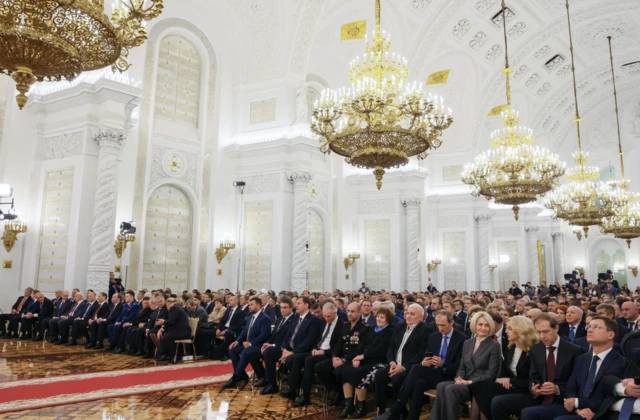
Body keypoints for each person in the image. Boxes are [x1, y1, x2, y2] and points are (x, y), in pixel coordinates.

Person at [519, 316, 625, 419]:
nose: (590, 330)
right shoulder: (583, 359)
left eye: (596, 327)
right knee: (529, 413)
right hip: (574, 406)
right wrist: (576, 407)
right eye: (589, 327)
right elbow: (571, 386)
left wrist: (576, 403)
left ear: (610, 334)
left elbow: (608, 397)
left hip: (598, 412)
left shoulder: (620, 362)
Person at [490, 312, 585, 419]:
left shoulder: (574, 351)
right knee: (497, 401)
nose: (542, 336)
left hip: (562, 400)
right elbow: (533, 377)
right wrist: (534, 389)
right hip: (539, 397)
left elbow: (579, 383)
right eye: (538, 332)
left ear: (556, 328)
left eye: (546, 332)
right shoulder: (536, 349)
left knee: (528, 413)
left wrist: (557, 389)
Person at [378, 309, 467, 420]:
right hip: (432, 373)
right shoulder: (434, 337)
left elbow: (459, 367)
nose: (440, 328)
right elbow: (426, 356)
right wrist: (424, 362)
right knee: (419, 383)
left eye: (443, 325)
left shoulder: (462, 339)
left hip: (448, 375)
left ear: (451, 322)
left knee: (416, 368)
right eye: (438, 325)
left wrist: (443, 365)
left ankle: (396, 408)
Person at [428, 311, 502, 420]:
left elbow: (491, 374)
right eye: (480, 324)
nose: (483, 328)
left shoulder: (494, 346)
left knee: (450, 389)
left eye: (486, 325)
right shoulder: (468, 342)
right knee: (441, 386)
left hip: (479, 385)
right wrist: (459, 378)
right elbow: (462, 365)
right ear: (474, 325)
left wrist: (469, 382)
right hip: (464, 381)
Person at [470, 316, 539, 420]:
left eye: (510, 328)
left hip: (526, 391)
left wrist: (510, 380)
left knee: (495, 399)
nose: (506, 331)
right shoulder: (511, 347)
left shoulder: (534, 351)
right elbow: (505, 371)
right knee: (478, 386)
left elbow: (533, 381)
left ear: (521, 330)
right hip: (512, 387)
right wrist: (499, 379)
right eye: (507, 328)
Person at [373, 304, 429, 416]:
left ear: (421, 316)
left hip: (409, 367)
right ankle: (381, 410)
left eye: (412, 314)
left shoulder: (425, 331)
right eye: (407, 313)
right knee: (379, 374)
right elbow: (391, 347)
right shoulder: (400, 326)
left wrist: (403, 367)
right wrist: (392, 362)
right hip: (394, 364)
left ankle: (399, 410)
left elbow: (420, 355)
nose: (408, 316)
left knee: (397, 378)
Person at [315, 302, 372, 413]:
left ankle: (347, 402)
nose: (349, 314)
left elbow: (359, 349)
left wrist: (343, 360)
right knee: (320, 367)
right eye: (348, 311)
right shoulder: (345, 325)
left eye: (353, 311)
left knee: (339, 370)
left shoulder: (365, 328)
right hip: (340, 357)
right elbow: (338, 344)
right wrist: (335, 356)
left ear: (359, 313)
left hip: (352, 359)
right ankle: (339, 391)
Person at [340, 306, 395, 419]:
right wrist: (358, 359)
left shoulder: (390, 331)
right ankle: (348, 404)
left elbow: (381, 350)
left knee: (360, 372)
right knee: (347, 369)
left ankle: (361, 406)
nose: (379, 319)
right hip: (366, 359)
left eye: (382, 317)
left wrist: (361, 357)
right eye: (378, 316)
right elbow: (364, 346)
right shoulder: (372, 329)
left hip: (381, 361)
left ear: (388, 319)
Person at [284, 301, 342, 403]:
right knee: (297, 358)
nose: (327, 319)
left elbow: (338, 347)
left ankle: (305, 395)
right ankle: (293, 389)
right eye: (324, 316)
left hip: (329, 354)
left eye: (329, 316)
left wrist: (324, 352)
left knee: (309, 361)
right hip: (318, 351)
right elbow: (318, 339)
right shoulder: (323, 322)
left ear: (335, 312)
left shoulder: (341, 325)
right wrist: (315, 348)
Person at [264, 296, 321, 395]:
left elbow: (308, 341)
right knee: (268, 351)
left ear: (306, 305)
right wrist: (285, 349)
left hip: (303, 351)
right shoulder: (297, 318)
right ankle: (272, 384)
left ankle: (294, 388)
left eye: (299, 303)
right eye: (296, 303)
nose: (296, 305)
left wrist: (292, 352)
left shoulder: (313, 320)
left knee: (292, 359)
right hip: (290, 349)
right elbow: (288, 336)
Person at [222, 296, 271, 389]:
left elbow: (264, 335)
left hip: (259, 345)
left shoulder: (265, 318)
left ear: (258, 305)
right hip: (248, 344)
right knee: (232, 349)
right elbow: (245, 331)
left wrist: (251, 343)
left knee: (246, 352)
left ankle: (235, 378)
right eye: (249, 305)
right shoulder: (250, 317)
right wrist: (237, 341)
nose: (249, 306)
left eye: (251, 305)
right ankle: (242, 375)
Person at [251, 298, 296, 395]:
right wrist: (266, 343)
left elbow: (289, 339)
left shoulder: (294, 320)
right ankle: (263, 377)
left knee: (269, 352)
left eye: (285, 307)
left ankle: (272, 384)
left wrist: (273, 345)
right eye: (281, 307)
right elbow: (273, 335)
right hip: (273, 345)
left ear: (291, 308)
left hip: (284, 348)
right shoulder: (279, 319)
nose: (282, 310)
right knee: (251, 353)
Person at [156, 298, 191, 362]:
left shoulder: (174, 308)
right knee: (165, 335)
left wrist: (163, 322)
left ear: (167, 303)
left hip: (183, 332)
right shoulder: (177, 308)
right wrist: (162, 329)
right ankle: (167, 355)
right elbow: (171, 321)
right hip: (181, 331)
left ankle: (173, 356)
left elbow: (171, 321)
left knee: (166, 337)